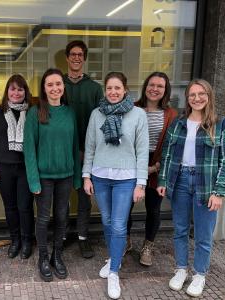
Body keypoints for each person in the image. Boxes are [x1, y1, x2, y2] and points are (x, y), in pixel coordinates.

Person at [157, 79, 225, 297]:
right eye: (192, 94)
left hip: (206, 185)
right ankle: (181, 269)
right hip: (180, 180)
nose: (197, 98)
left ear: (209, 96)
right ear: (187, 98)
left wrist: (219, 192)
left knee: (203, 234)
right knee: (180, 230)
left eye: (201, 94)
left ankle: (199, 274)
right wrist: (163, 180)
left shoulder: (222, 124)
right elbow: (167, 154)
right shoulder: (179, 123)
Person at [83, 72, 149, 299]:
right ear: (105, 90)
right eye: (109, 88)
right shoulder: (96, 114)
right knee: (107, 221)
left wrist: (141, 183)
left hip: (126, 178)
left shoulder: (138, 114)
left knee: (119, 225)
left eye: (117, 88)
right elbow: (90, 146)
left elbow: (142, 151)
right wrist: (86, 176)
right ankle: (114, 257)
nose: (113, 92)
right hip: (100, 176)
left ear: (125, 90)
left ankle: (113, 273)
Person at [24, 68, 81, 282]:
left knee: (61, 217)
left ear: (63, 87)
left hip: (65, 176)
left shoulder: (70, 113)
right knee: (43, 218)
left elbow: (75, 146)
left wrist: (76, 176)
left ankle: (58, 255)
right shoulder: (35, 112)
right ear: (44, 88)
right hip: (44, 177)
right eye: (50, 85)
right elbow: (29, 149)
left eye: (58, 84)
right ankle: (43, 257)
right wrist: (33, 180)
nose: (55, 88)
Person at [126, 72, 178, 266]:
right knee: (126, 207)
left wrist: (156, 167)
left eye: (160, 86)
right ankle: (126, 240)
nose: (155, 89)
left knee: (153, 209)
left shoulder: (171, 114)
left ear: (165, 90)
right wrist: (137, 167)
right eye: (151, 84)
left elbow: (171, 145)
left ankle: (148, 245)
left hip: (157, 165)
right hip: (132, 164)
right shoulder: (132, 108)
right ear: (145, 86)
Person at [0, 74, 34, 259]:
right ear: (7, 91)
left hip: (25, 168)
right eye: (12, 89)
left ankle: (27, 240)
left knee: (25, 207)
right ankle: (15, 241)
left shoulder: (32, 112)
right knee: (10, 207)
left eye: (20, 89)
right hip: (3, 168)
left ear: (25, 92)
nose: (16, 92)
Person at [64, 40, 104, 258]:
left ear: (84, 58)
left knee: (84, 197)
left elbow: (101, 121)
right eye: (73, 54)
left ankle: (82, 237)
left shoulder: (95, 88)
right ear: (67, 57)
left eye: (80, 54)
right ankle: (61, 235)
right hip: (62, 152)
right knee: (61, 197)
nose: (76, 58)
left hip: (88, 153)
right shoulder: (57, 84)